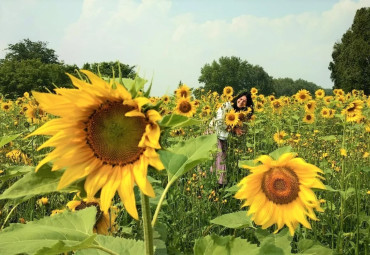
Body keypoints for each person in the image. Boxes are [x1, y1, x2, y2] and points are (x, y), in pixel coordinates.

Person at [209, 91, 254, 186]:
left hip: (224, 137)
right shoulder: (227, 106)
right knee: (218, 158)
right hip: (214, 133)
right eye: (240, 98)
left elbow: (242, 129)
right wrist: (234, 129)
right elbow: (219, 122)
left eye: (244, 101)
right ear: (237, 97)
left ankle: (213, 183)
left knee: (218, 158)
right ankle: (219, 183)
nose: (241, 102)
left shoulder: (242, 114)